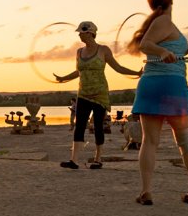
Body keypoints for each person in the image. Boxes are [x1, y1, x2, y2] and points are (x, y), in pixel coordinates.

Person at [127, 0, 188, 206]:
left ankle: (146, 192)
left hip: (154, 85)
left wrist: (185, 47)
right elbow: (146, 45)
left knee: (150, 141)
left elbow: (163, 43)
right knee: (187, 141)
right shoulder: (164, 21)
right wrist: (162, 51)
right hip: (173, 86)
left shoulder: (164, 24)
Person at [54, 21, 142, 170]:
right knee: (79, 126)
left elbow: (118, 67)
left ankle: (98, 158)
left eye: (81, 32)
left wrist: (136, 73)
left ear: (90, 33)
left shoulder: (103, 50)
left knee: (98, 126)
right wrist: (64, 78)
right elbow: (79, 71)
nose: (79, 35)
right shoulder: (78, 52)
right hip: (83, 93)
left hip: (100, 94)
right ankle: (74, 160)